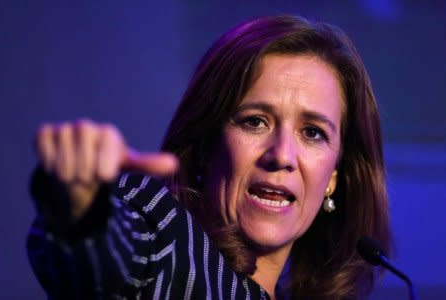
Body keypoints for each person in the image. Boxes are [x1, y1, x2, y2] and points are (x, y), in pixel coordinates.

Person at [28, 15, 392, 299]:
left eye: (312, 132)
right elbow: (103, 261)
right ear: (206, 145)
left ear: (333, 177)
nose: (282, 155)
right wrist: (82, 207)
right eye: (255, 121)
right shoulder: (166, 235)